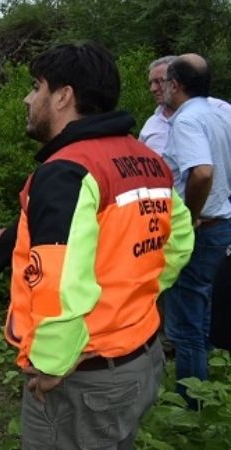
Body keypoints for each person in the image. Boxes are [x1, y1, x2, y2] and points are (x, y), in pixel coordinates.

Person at [1, 42, 193, 448]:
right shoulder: (147, 160)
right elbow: (178, 242)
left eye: (36, 86)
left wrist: (54, 363)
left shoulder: (66, 172)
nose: (28, 98)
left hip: (82, 384)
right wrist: (133, 302)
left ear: (63, 96)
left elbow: (58, 283)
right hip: (140, 359)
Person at [159, 53, 231, 408]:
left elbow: (201, 172)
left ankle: (191, 408)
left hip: (203, 230)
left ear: (176, 84)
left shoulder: (186, 121)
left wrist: (189, 215)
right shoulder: (217, 115)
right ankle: (205, 394)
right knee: (201, 317)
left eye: (164, 82)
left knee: (185, 326)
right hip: (222, 225)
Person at [140, 56, 231, 154]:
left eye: (159, 81)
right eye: (151, 83)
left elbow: (202, 168)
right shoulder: (151, 124)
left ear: (176, 81)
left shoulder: (220, 109)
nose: (153, 88)